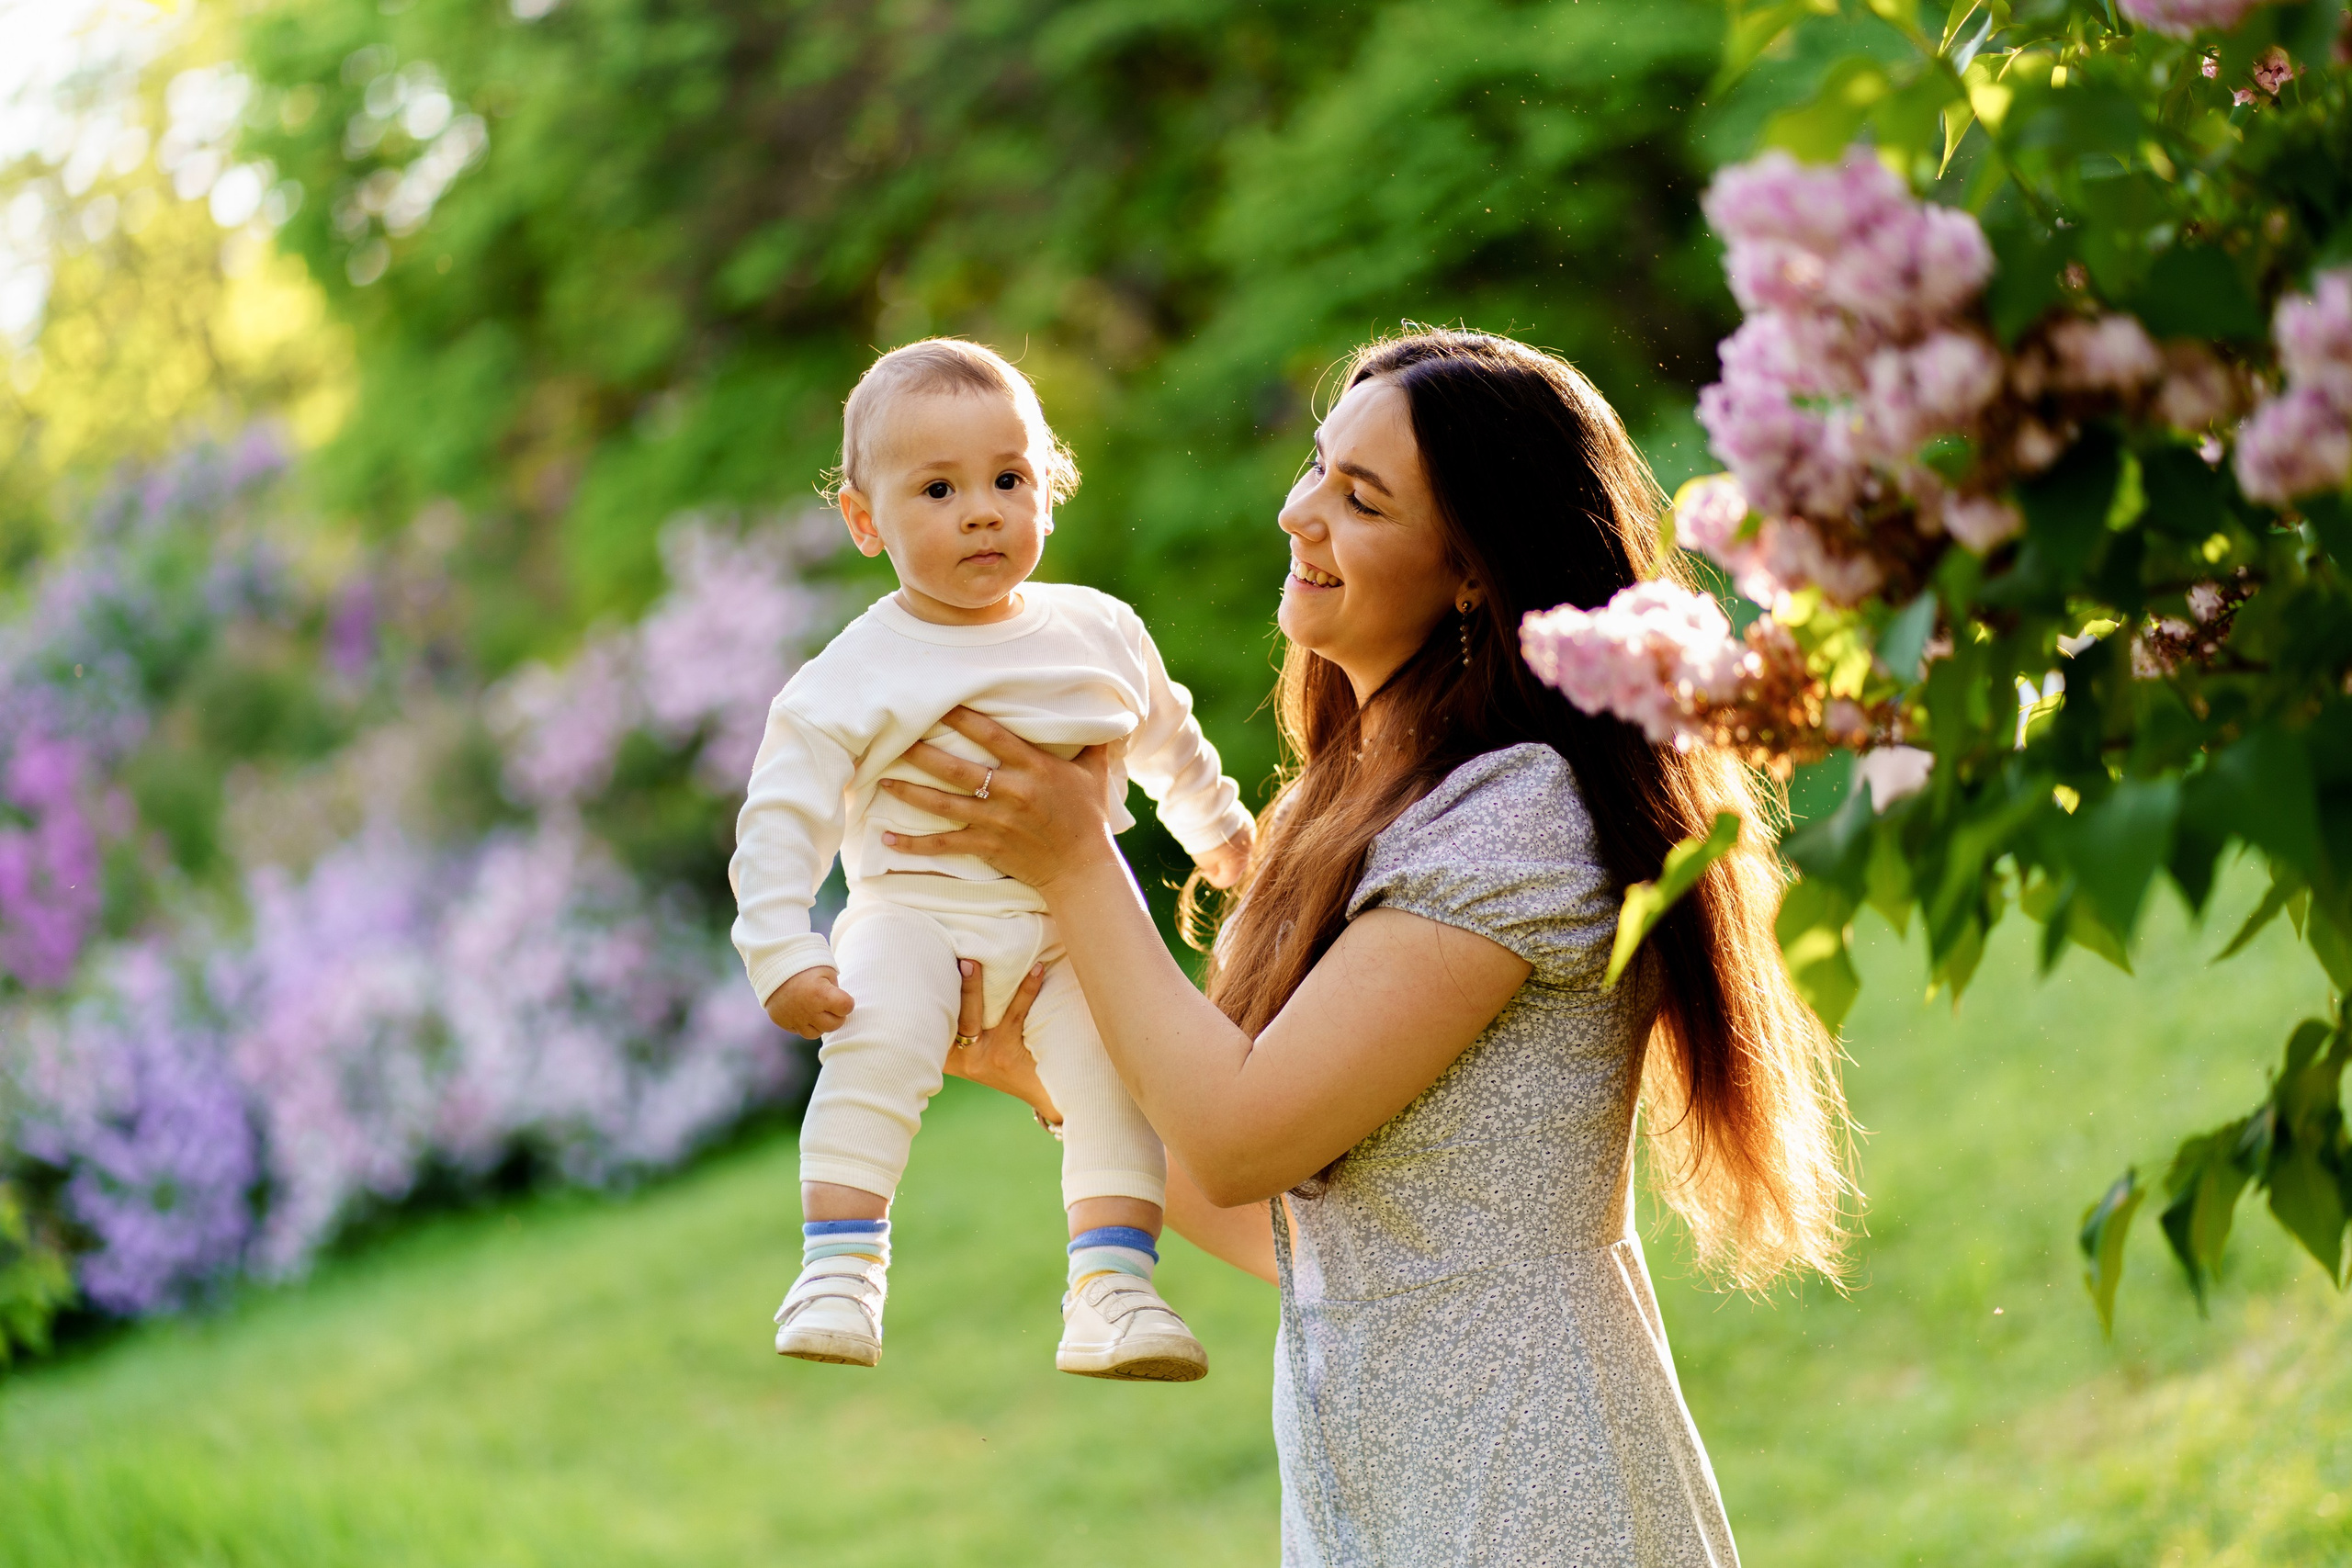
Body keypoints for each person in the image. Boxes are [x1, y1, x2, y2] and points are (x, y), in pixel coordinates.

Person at [883, 330, 1851, 1565]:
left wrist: (1076, 857)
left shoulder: (1516, 816)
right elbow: (1311, 1240)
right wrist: (1031, 1062)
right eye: (1316, 467)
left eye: (1363, 498)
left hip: (1536, 1492)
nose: (1300, 514)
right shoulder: (1341, 811)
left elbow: (1239, 1139)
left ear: (1472, 572)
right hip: (1370, 1499)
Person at [733, 337, 1255, 1379]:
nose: (981, 511)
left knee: (1116, 1074)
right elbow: (782, 815)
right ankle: (839, 1268)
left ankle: (1112, 1289)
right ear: (865, 521)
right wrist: (781, 953)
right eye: (939, 489)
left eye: (1009, 479)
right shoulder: (852, 673)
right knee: (876, 1040)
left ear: (1048, 490)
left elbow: (1171, 741)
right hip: (914, 917)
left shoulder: (1101, 632)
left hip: (1074, 935)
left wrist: (1224, 836)